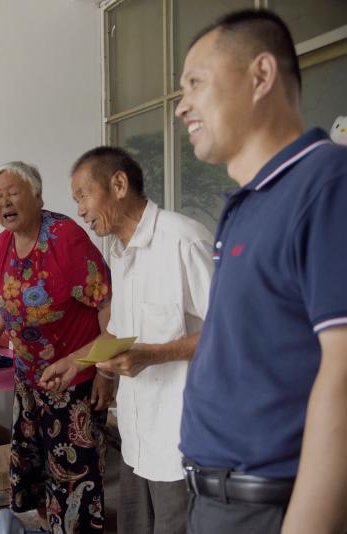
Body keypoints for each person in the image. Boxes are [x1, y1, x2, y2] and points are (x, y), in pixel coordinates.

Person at [174, 9, 347, 534]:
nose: (181, 105)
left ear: (261, 75)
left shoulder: (327, 182)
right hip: (215, 499)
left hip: (271, 505)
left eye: (195, 83)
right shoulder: (246, 202)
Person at [39, 146, 214, 534]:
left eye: (83, 196)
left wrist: (152, 356)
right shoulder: (119, 254)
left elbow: (231, 332)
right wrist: (74, 363)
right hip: (137, 437)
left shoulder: (183, 240)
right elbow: (117, 332)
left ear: (118, 184)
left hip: (179, 439)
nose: (80, 210)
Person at [0, 161, 114, 533]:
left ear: (37, 196)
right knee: (40, 469)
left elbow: (108, 303)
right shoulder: (5, 241)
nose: (4, 202)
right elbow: (6, 301)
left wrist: (105, 372)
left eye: (13, 193)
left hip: (74, 381)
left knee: (74, 476)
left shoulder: (65, 237)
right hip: (29, 379)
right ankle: (48, 526)